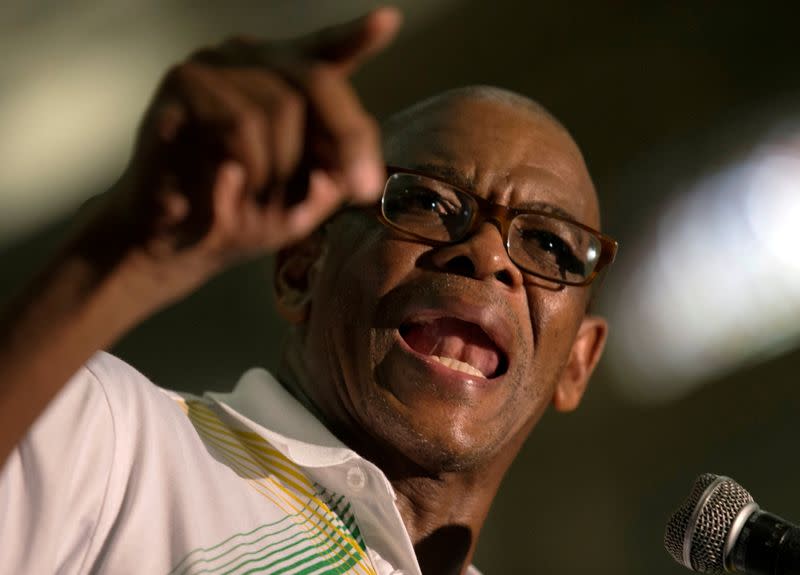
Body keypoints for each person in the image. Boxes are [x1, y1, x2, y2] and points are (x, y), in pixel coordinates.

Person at [0, 7, 616, 575]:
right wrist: (122, 253)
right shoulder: (118, 446)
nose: (485, 255)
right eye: (427, 201)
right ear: (301, 267)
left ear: (579, 364)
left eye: (551, 247)